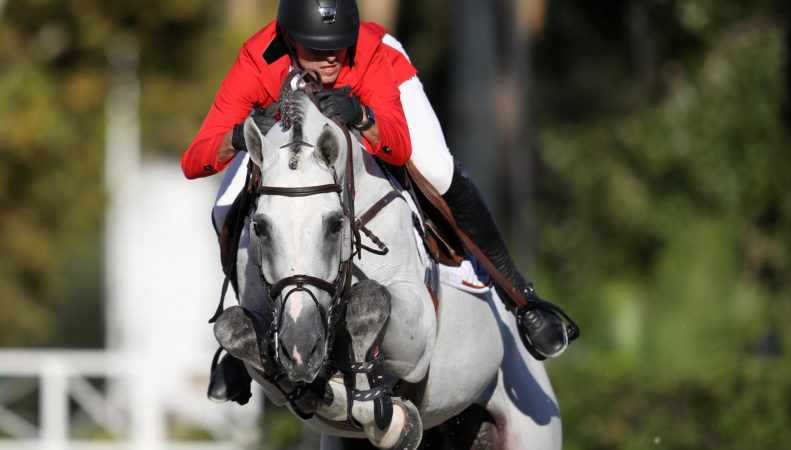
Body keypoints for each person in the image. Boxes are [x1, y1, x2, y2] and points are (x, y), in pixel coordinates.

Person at [182, 0, 575, 404]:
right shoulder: (257, 60)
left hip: (384, 80)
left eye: (338, 45)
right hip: (292, 145)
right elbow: (194, 159)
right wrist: (235, 137)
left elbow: (400, 147)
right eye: (316, 50)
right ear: (288, 40)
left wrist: (364, 117)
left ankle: (523, 300)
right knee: (224, 205)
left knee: (438, 168)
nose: (332, 57)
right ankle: (250, 325)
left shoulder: (366, 53)